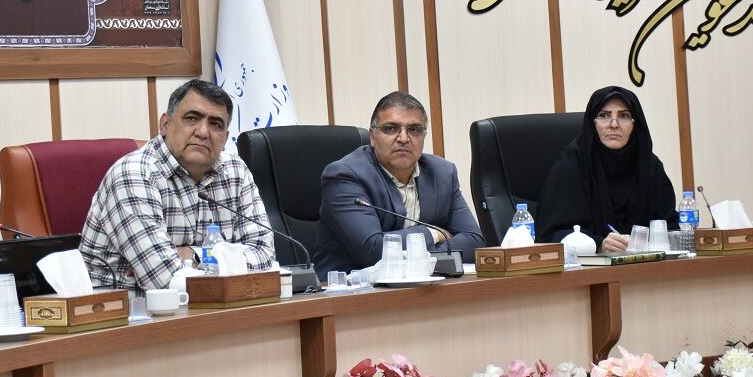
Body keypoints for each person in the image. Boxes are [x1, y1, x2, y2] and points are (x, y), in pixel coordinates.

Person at [80, 78, 275, 291]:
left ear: (226, 138)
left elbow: (265, 255)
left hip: (213, 305)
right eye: (192, 118)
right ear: (165, 124)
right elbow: (163, 279)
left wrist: (193, 255)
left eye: (216, 124)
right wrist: (229, 258)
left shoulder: (235, 170)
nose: (203, 132)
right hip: (126, 308)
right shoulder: (134, 174)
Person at [314, 91, 485, 274]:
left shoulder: (442, 173)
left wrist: (419, 258)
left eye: (414, 129)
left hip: (425, 284)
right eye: (391, 128)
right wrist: (434, 234)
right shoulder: (345, 176)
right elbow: (374, 251)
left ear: (423, 136)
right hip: (352, 287)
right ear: (373, 136)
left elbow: (474, 242)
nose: (403, 138)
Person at [536, 85, 676, 252]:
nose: (614, 124)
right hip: (587, 267)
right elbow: (550, 236)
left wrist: (644, 244)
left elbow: (671, 228)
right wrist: (599, 245)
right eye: (604, 115)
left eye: (624, 116)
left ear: (635, 124)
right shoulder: (572, 165)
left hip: (647, 264)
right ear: (592, 123)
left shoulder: (650, 166)